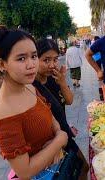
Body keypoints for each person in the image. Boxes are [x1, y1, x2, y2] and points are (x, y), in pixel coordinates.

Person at [0, 25, 68, 179]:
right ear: (2, 64)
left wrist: (57, 135)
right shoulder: (2, 111)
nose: (31, 64)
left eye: (33, 56)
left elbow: (51, 118)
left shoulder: (30, 87)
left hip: (58, 165)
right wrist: (59, 140)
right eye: (21, 58)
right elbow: (24, 172)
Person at [33, 38, 88, 179]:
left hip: (64, 133)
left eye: (55, 59)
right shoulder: (31, 87)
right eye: (46, 60)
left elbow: (69, 101)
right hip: (50, 143)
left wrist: (62, 82)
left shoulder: (55, 78)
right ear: (35, 59)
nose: (52, 65)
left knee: (83, 167)